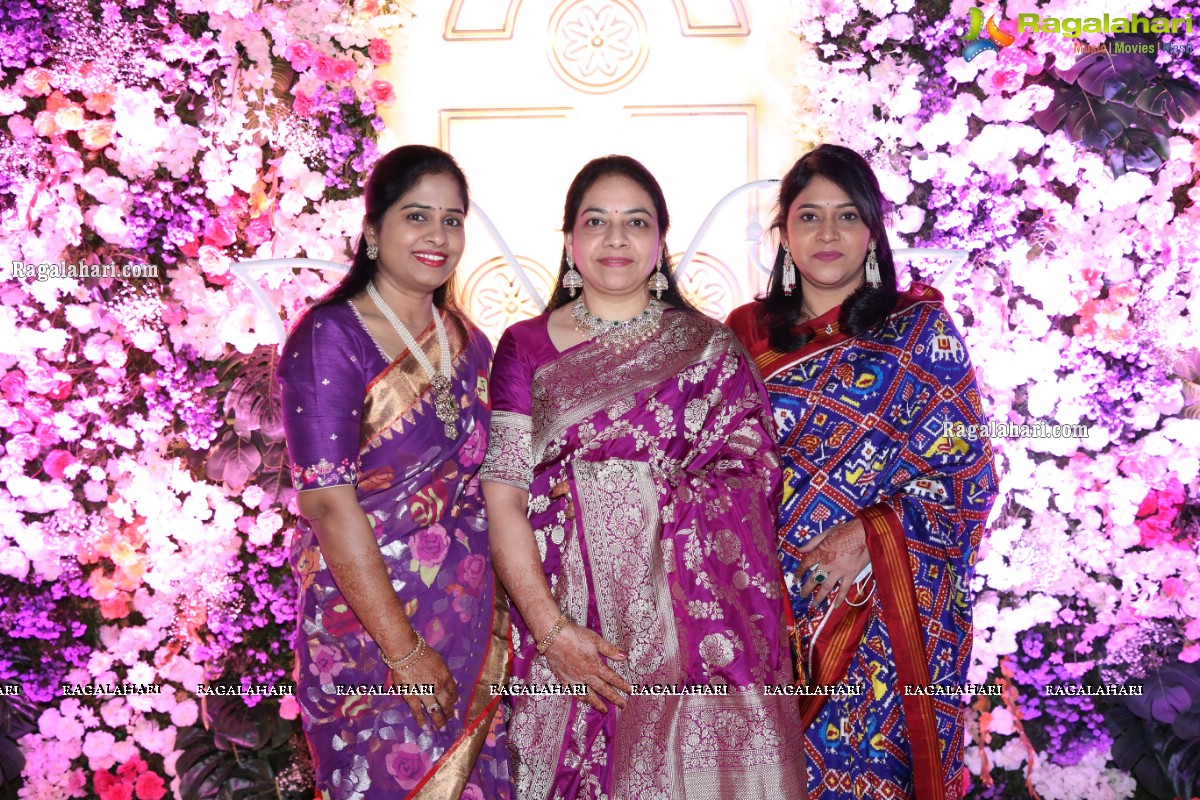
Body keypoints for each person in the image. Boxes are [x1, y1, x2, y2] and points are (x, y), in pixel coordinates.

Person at [481, 155, 806, 799]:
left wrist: (625, 490)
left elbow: (751, 475)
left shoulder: (708, 348)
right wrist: (552, 630)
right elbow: (503, 494)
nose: (616, 239)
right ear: (570, 243)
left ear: (660, 243)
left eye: (636, 222)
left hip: (688, 640)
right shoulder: (523, 346)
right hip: (562, 620)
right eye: (595, 221)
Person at [727, 143, 998, 800]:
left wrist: (868, 535)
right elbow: (714, 471)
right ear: (784, 233)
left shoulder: (919, 329)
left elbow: (966, 475)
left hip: (884, 612)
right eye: (809, 216)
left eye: (846, 216)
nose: (827, 234)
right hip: (766, 611)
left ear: (872, 230)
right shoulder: (744, 333)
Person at [276, 145, 512, 799]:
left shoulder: (471, 344)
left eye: (453, 219)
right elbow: (328, 505)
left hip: (471, 622)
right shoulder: (330, 337)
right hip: (368, 636)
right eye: (417, 216)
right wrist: (404, 651)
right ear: (374, 231)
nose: (438, 236)